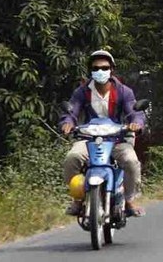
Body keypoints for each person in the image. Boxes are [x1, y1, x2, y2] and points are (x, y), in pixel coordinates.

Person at [59, 50, 146, 217]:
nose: (100, 71)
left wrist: (136, 123)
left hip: (118, 139)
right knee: (72, 158)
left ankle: (129, 200)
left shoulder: (124, 91)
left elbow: (135, 112)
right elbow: (71, 111)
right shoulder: (82, 92)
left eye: (105, 68)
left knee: (131, 161)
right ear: (90, 71)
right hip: (89, 139)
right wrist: (68, 123)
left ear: (111, 69)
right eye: (96, 68)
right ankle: (77, 200)